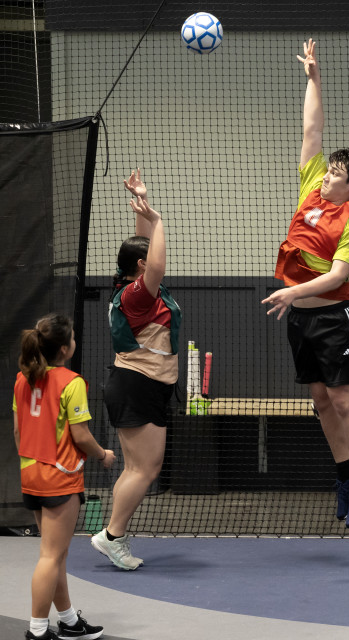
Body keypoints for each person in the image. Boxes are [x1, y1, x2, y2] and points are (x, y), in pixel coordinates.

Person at [262, 39, 349, 529]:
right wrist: (313, 78)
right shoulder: (311, 186)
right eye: (328, 170)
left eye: (336, 175)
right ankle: (343, 475)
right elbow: (312, 128)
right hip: (301, 320)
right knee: (320, 401)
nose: (327, 176)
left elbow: (338, 277)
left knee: (345, 399)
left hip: (332, 316)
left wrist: (291, 292)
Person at [91, 169, 181, 570]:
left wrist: (142, 208)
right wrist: (158, 221)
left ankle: (114, 535)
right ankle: (112, 536)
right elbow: (154, 263)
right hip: (137, 384)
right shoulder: (138, 294)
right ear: (140, 267)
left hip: (143, 384)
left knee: (139, 468)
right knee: (145, 469)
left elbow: (144, 253)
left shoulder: (131, 287)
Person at [13, 313, 116, 640]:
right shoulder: (72, 383)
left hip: (31, 473)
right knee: (51, 556)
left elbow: (18, 431)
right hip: (59, 478)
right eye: (71, 337)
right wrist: (103, 454)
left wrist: (33, 463)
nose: (74, 341)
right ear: (64, 348)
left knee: (56, 553)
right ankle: (37, 631)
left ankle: (69, 621)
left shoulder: (22, 380)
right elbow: (81, 436)